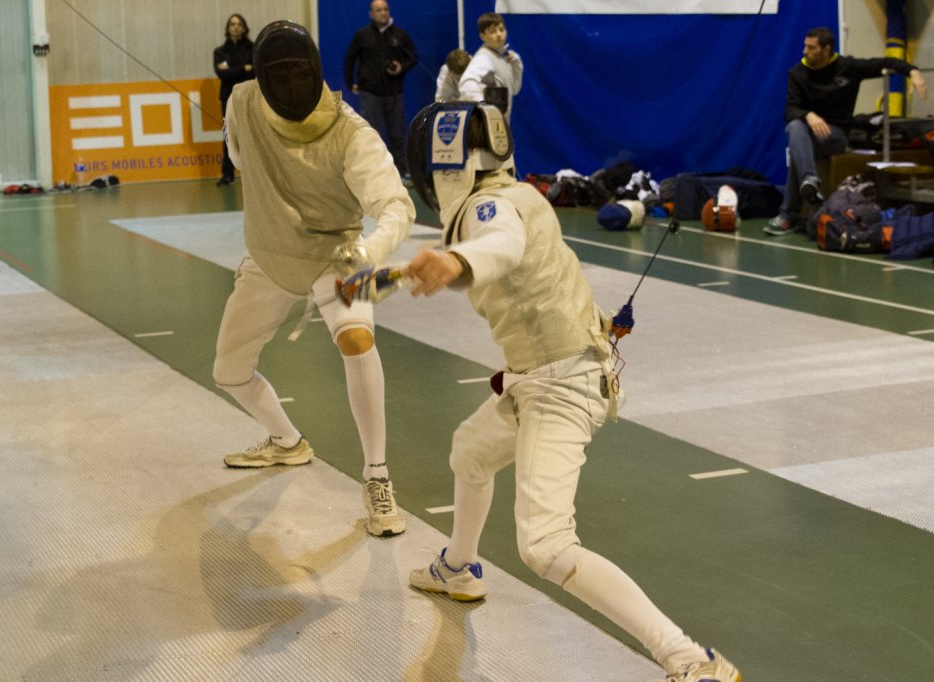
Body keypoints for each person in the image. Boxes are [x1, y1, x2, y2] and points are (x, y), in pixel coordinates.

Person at [395, 101, 741, 681]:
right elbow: (530, 264)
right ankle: (458, 566)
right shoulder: (520, 194)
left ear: (448, 164)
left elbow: (502, 243)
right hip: (549, 373)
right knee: (470, 452)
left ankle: (689, 660)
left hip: (559, 385)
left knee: (546, 546)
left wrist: (456, 259)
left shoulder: (486, 207)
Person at [216, 20, 415, 537]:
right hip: (270, 255)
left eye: (296, 73)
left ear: (315, 72)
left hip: (336, 257)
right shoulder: (242, 102)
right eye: (277, 74)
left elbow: (396, 206)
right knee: (229, 372)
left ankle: (377, 476)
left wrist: (368, 251)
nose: (287, 84)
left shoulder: (351, 132)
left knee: (356, 340)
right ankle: (287, 442)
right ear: (261, 76)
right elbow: (239, 157)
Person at [764, 26, 927, 236]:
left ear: (826, 49)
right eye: (805, 46)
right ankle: (808, 182)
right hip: (807, 135)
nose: (805, 51)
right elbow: (790, 110)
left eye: (811, 48)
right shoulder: (797, 73)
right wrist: (809, 115)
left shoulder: (848, 67)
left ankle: (788, 214)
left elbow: (885, 62)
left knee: (798, 143)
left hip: (836, 136)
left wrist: (913, 71)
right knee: (795, 127)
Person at [343, 0, 417, 181]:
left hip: (394, 94)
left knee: (397, 135)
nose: (383, 13)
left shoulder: (400, 35)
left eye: (385, 9)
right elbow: (350, 59)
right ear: (371, 14)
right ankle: (372, 172)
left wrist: (401, 67)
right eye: (378, 10)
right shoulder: (362, 35)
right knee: (370, 134)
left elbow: (413, 57)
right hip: (370, 94)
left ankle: (401, 172)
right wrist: (350, 82)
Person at [212, 14, 255, 187]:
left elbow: (255, 71)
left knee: (252, 134)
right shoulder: (220, 52)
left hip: (249, 97)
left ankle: (254, 173)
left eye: (239, 24)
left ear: (244, 27)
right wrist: (244, 68)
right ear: (228, 28)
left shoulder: (254, 49)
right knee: (229, 135)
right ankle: (227, 174)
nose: (236, 27)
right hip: (227, 98)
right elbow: (222, 74)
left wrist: (233, 70)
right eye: (232, 24)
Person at [458, 13, 523, 122]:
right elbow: (466, 84)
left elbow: (514, 89)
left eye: (501, 30)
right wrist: (484, 107)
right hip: (484, 125)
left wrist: (517, 63)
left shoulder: (501, 57)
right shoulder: (484, 57)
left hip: (499, 124)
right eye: (492, 31)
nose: (499, 34)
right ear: (482, 36)